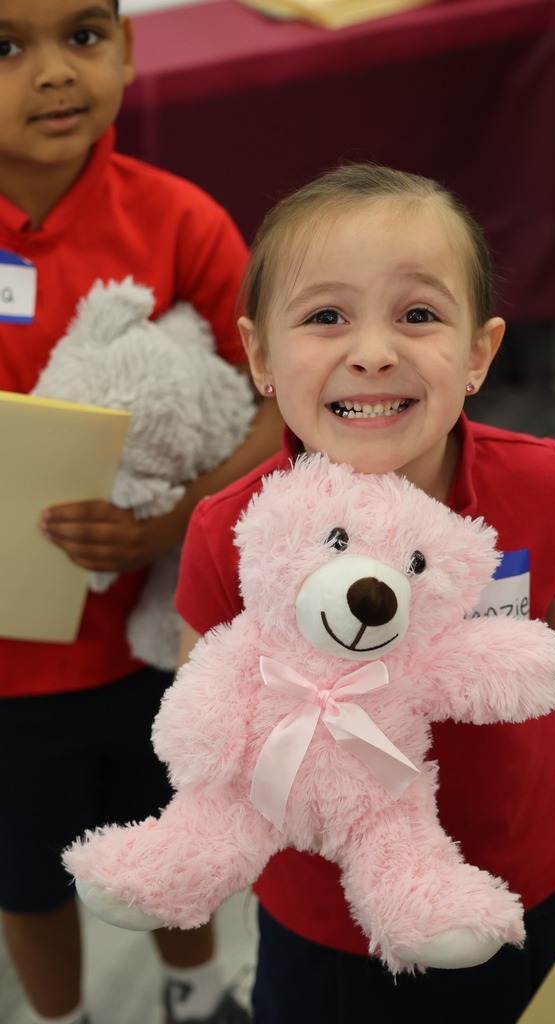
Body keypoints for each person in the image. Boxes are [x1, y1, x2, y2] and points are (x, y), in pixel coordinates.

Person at [174, 163, 555, 1024]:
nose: (372, 351)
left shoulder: (541, 487)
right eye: (326, 316)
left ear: (478, 352)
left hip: (528, 884)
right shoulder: (230, 532)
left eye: (417, 315)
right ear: (259, 355)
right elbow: (205, 722)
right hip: (330, 923)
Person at [0, 2, 282, 1023]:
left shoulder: (178, 219)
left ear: (125, 48)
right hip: (10, 673)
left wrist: (175, 523)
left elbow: (278, 392)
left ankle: (197, 994)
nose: (51, 74)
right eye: (4, 47)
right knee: (25, 874)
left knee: (178, 842)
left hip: (163, 642)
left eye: (82, 35)